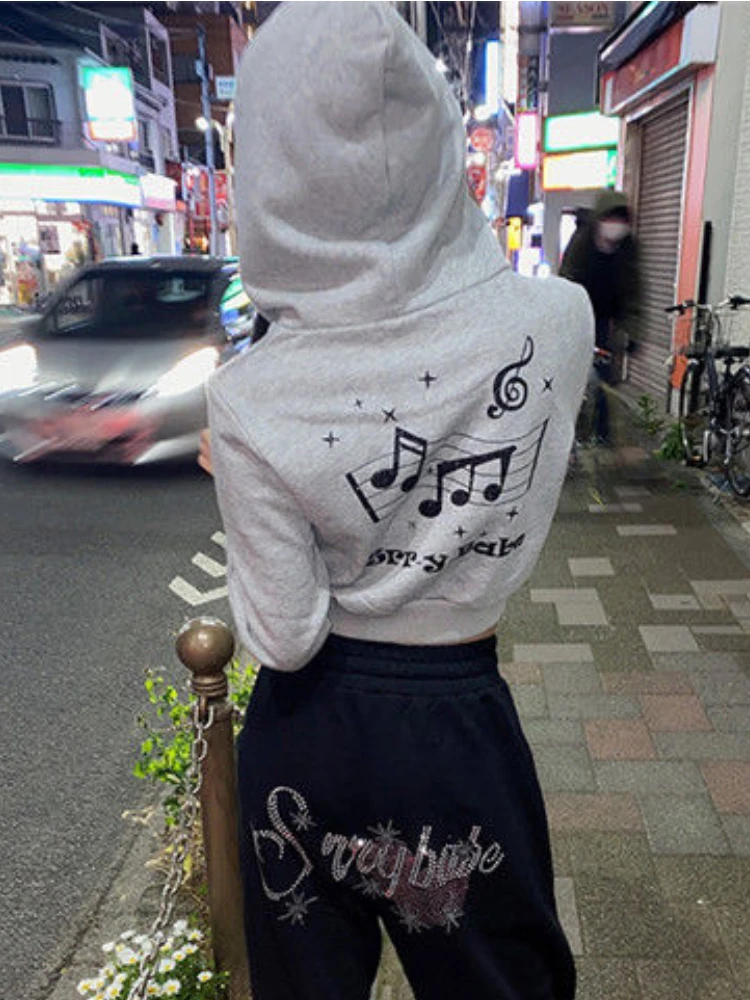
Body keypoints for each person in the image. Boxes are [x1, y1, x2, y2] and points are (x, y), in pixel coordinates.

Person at [207, 4, 593, 999]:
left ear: (268, 172)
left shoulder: (252, 396)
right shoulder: (558, 322)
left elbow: (284, 634)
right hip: (458, 727)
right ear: (435, 138)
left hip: (307, 737)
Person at [559, 190, 642, 445]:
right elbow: (567, 279)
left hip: (608, 320)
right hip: (579, 314)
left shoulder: (627, 247)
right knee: (575, 375)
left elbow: (633, 292)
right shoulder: (583, 240)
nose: (616, 225)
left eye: (621, 219)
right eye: (611, 218)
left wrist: (633, 332)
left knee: (606, 378)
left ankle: (604, 436)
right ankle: (571, 431)